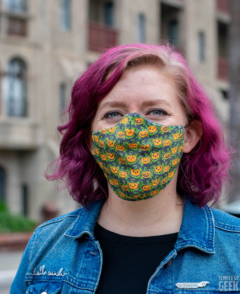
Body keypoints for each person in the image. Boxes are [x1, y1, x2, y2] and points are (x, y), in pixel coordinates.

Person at [11, 43, 240, 293]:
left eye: (155, 111)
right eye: (113, 114)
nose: (132, 130)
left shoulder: (235, 250)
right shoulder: (45, 245)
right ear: (91, 140)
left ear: (189, 136)